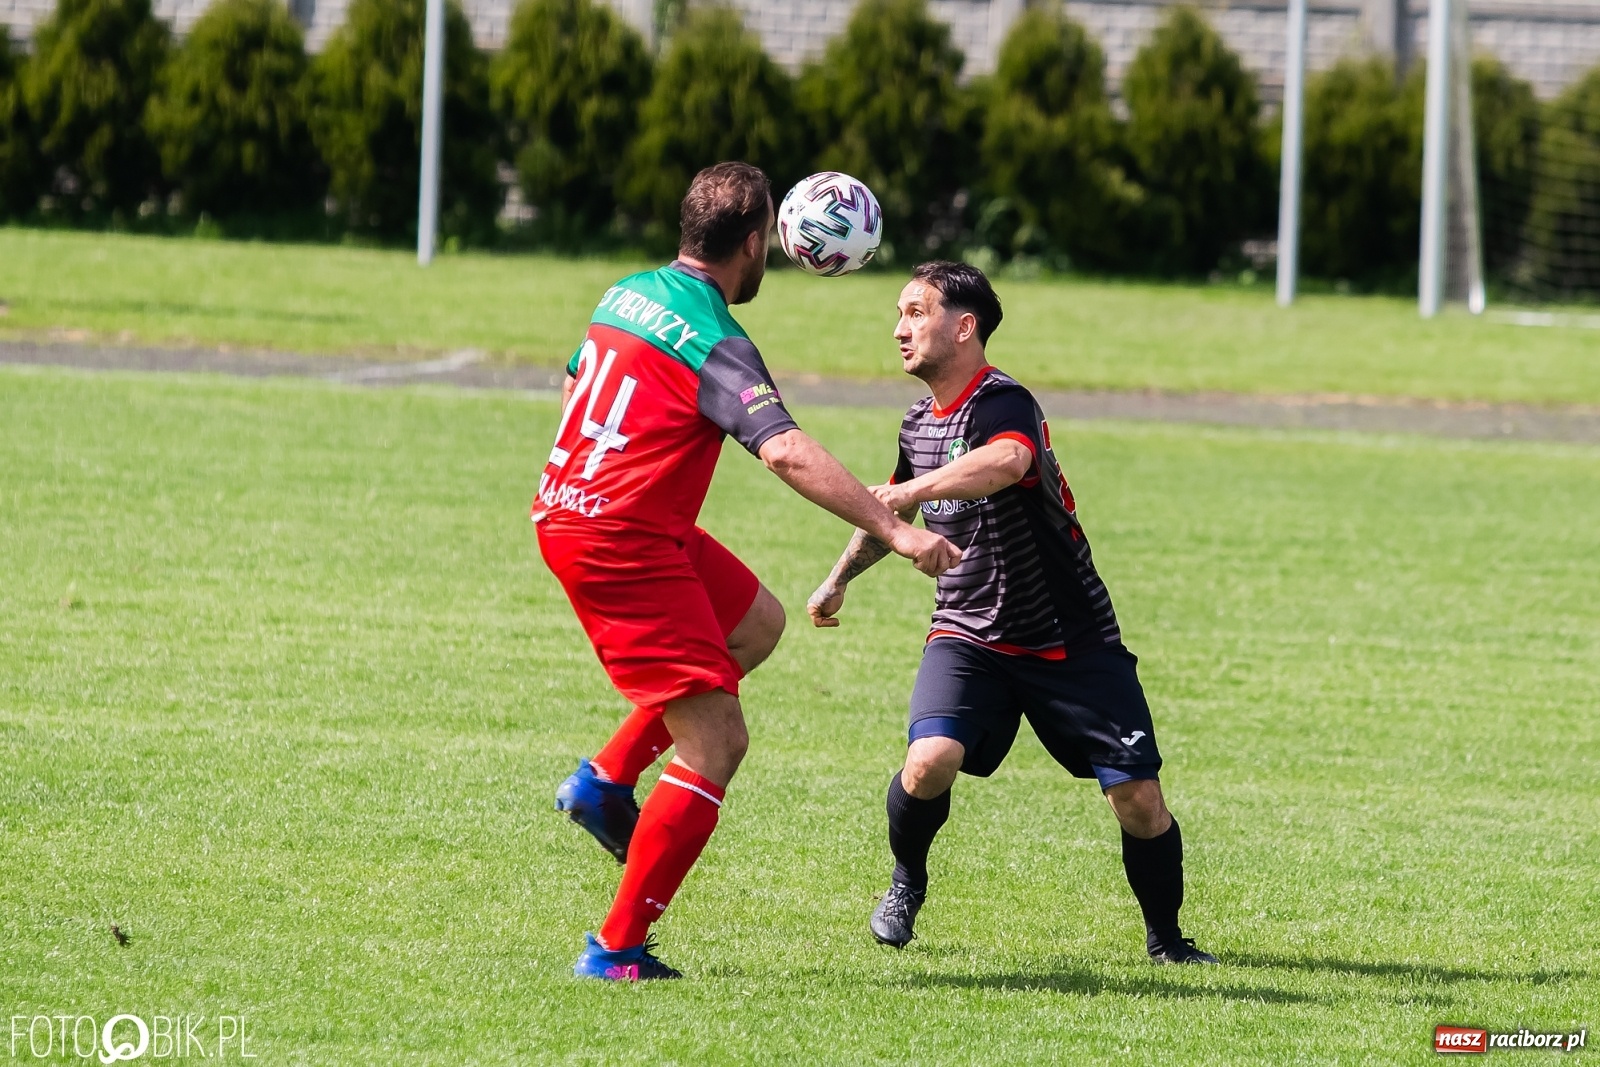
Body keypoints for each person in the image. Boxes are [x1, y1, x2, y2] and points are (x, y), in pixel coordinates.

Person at [534, 162, 962, 982]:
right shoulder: (716, 336)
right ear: (758, 242)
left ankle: (607, 779)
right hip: (619, 536)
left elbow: (573, 379)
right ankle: (616, 950)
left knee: (755, 625)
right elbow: (786, 450)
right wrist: (893, 532)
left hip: (607, 515)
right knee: (718, 739)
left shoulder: (625, 291)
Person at [806, 261, 1217, 965]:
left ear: (963, 327)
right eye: (899, 313)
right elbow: (891, 509)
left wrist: (908, 495)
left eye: (915, 311)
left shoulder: (1002, 402)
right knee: (929, 760)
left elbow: (1004, 462)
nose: (899, 327)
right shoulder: (918, 422)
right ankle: (908, 881)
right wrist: (840, 576)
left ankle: (1167, 940)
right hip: (967, 635)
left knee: (1140, 800)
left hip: (1071, 636)